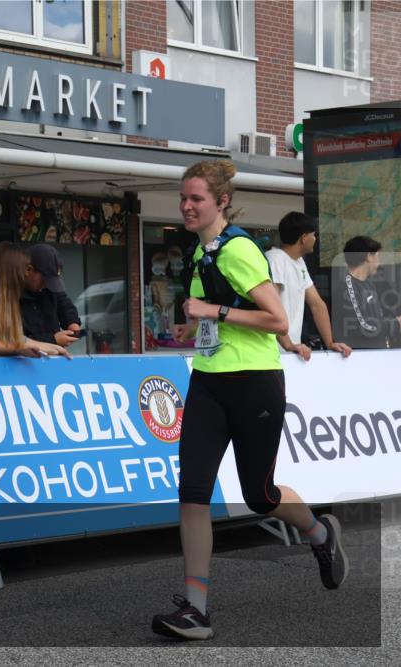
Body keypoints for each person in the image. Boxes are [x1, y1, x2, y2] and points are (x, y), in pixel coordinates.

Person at [153, 160, 347, 641]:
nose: (186, 206)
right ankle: (196, 609)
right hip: (209, 381)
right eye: (183, 198)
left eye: (196, 198)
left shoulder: (238, 249)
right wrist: (193, 328)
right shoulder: (202, 255)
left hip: (255, 383)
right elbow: (216, 322)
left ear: (220, 202)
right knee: (193, 491)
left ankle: (320, 533)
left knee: (260, 496)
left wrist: (211, 310)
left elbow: (278, 320)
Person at [0, 242, 68, 358]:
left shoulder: (8, 298)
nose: (26, 274)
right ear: (12, 271)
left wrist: (48, 346)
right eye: (25, 269)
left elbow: (16, 339)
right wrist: (20, 348)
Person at [265, 212, 352, 361]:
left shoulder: (299, 262)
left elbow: (317, 304)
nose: (315, 239)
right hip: (273, 353)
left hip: (293, 351)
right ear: (304, 238)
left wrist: (330, 343)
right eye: (314, 235)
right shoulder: (275, 259)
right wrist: (288, 345)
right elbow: (270, 307)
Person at [333, 235, 400, 349]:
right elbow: (362, 327)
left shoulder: (369, 284)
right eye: (378, 257)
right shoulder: (347, 287)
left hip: (377, 355)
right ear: (369, 256)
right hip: (360, 359)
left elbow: (377, 319)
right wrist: (396, 324)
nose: (379, 263)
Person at [21, 244, 83, 348]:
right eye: (44, 280)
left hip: (55, 358)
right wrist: (53, 340)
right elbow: (18, 340)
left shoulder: (50, 289)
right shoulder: (10, 296)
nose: (46, 285)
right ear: (28, 270)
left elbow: (64, 303)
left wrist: (72, 323)